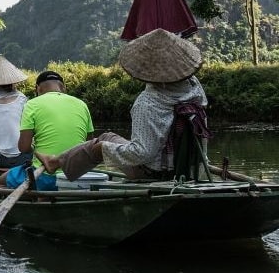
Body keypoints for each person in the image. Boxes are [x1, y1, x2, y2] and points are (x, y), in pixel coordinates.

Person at [36, 28, 207, 181]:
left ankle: (55, 163)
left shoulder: (148, 102)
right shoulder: (194, 89)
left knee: (99, 145)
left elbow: (141, 154)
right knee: (107, 137)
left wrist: (103, 150)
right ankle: (57, 161)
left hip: (154, 172)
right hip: (187, 166)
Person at [0, 69, 96, 190]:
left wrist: (33, 148)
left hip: (45, 177)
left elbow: (23, 148)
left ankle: (38, 196)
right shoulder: (82, 104)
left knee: (2, 179)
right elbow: (88, 145)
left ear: (38, 88)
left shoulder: (32, 104)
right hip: (78, 177)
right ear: (63, 87)